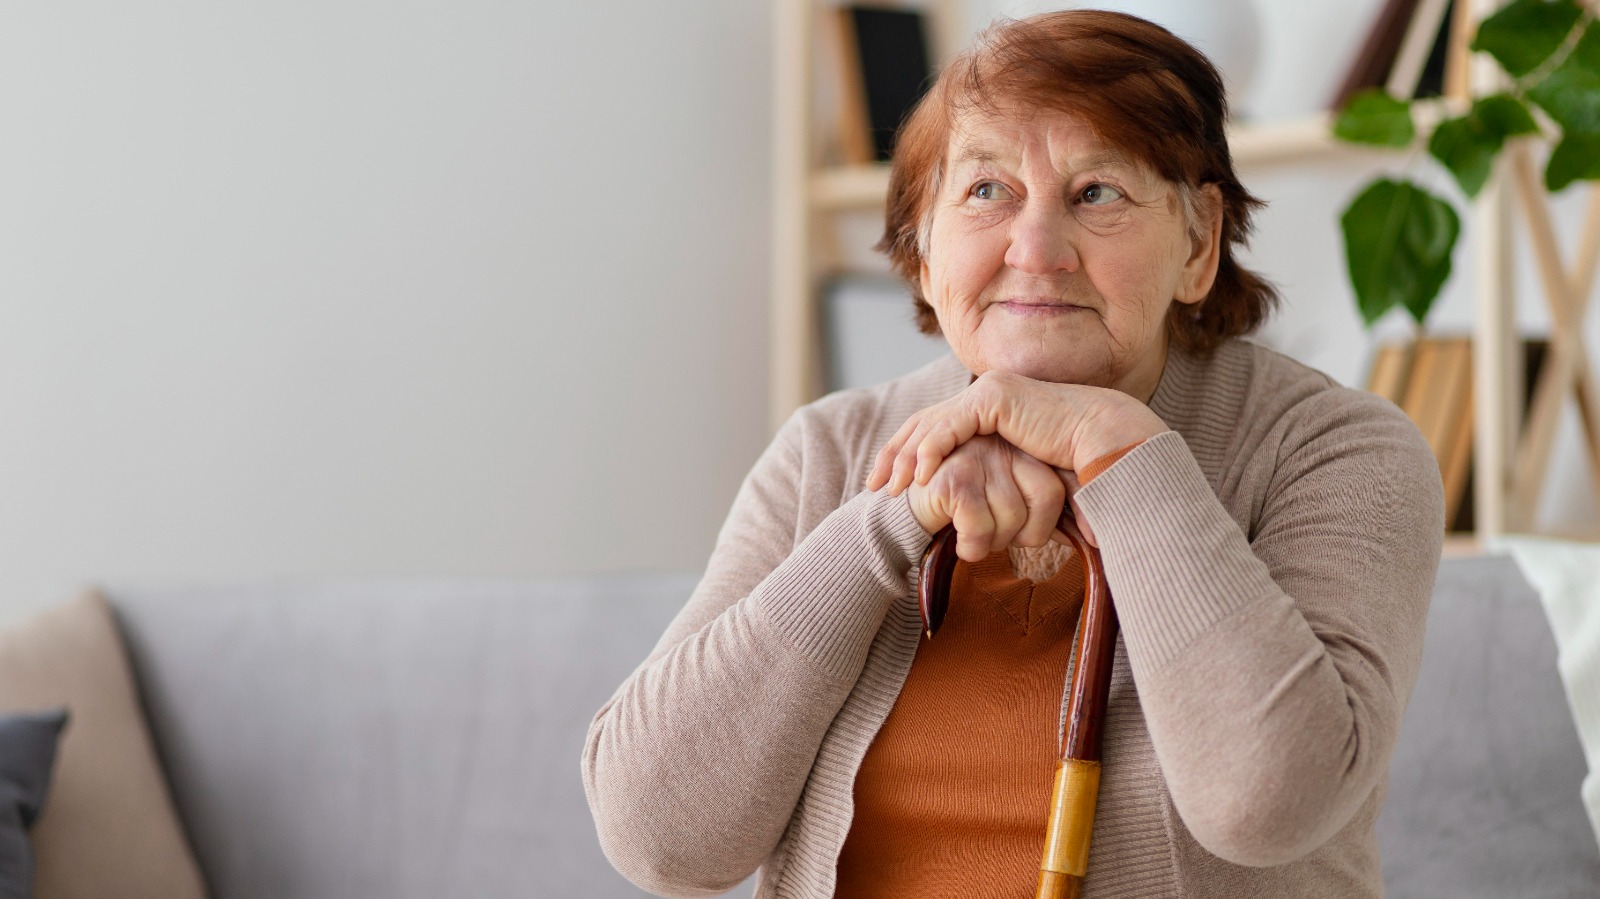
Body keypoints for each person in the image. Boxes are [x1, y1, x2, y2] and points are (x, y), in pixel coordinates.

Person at [583, 10, 1443, 898]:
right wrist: (891, 518)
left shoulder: (1338, 451)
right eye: (986, 191)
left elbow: (1267, 804)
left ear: (1196, 242)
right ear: (922, 250)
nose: (1036, 250)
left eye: (1097, 192)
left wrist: (1120, 452)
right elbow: (660, 841)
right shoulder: (827, 450)